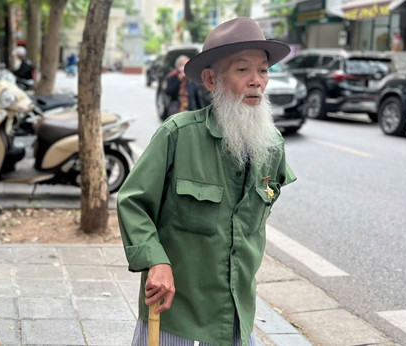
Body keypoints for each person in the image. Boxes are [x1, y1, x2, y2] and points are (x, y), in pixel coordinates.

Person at [117, 17, 296, 345]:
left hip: (237, 316)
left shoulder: (272, 146)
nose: (256, 81)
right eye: (242, 70)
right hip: (177, 315)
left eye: (263, 70)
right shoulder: (177, 135)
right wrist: (155, 259)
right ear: (212, 79)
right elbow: (133, 202)